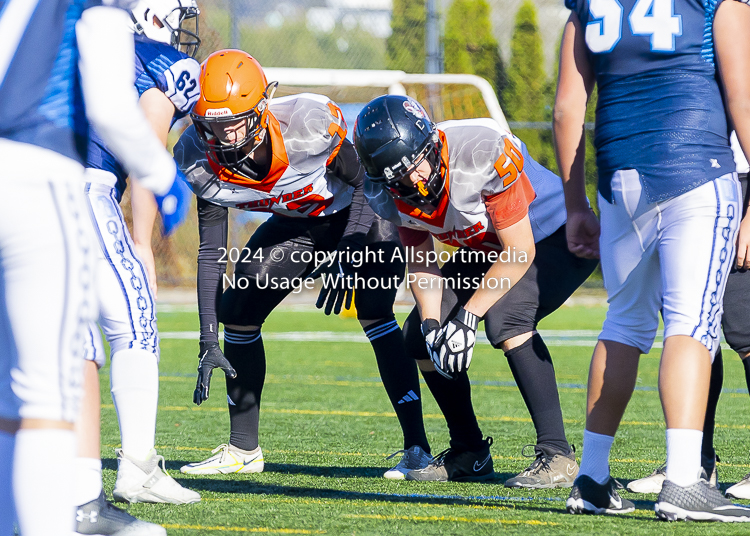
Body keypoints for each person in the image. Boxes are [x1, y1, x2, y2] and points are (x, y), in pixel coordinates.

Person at [173, 50, 432, 479]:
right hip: (301, 226)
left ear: (262, 106)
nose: (223, 137)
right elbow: (210, 251)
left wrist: (349, 252)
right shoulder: (198, 157)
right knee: (236, 310)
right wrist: (207, 336)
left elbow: (369, 186)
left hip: (360, 218)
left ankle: (417, 448)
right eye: (212, 125)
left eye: (234, 122)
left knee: (373, 311)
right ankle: (243, 450)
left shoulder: (308, 127)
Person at [554, 0, 750, 520]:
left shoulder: (591, 5)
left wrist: (575, 203)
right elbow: (746, 102)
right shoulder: (716, 2)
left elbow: (567, 109)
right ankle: (685, 480)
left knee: (623, 322)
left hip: (621, 179)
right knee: (690, 324)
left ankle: (592, 478)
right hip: (697, 169)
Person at [0, 1, 186, 534]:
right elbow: (109, 105)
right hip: (43, 175)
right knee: (44, 385)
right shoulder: (93, 11)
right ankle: (74, 506)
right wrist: (162, 176)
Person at [353, 94, 598, 485]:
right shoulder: (387, 193)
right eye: (400, 177)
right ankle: (470, 452)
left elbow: (520, 251)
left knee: (506, 317)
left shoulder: (479, 153)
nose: (415, 180)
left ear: (431, 144)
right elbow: (421, 260)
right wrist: (434, 324)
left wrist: (468, 318)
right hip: (491, 248)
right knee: (418, 338)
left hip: (556, 236)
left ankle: (557, 455)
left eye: (417, 165)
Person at [75, 0, 201, 516]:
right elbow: (149, 138)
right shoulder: (158, 60)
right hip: (80, 191)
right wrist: (144, 239)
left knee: (64, 340)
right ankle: (137, 468)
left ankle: (64, 479)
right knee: (133, 323)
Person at [627, 137, 750, 497]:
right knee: (694, 327)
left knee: (744, 328)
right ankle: (695, 462)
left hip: (735, 184)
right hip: (678, 183)